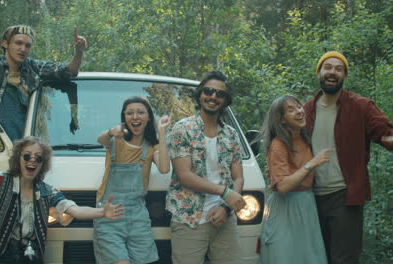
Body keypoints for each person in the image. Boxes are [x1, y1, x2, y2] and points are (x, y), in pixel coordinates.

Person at [0, 136, 123, 263]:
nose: (32, 161)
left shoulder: (47, 191)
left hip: (29, 257)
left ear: (42, 164)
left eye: (38, 158)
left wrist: (102, 212)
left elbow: (75, 210)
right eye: (27, 156)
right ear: (18, 159)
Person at [304, 51, 393, 264]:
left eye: (338, 68)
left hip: (345, 196)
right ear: (319, 72)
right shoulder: (305, 110)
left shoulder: (361, 106)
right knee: (317, 257)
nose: (332, 72)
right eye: (328, 67)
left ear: (344, 75)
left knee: (344, 260)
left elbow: (384, 131)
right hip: (309, 197)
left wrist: (388, 139)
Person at [166, 70, 246, 264]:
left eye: (220, 94)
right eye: (208, 91)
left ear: (226, 100)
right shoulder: (182, 129)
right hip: (189, 218)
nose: (213, 97)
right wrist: (226, 193)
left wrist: (226, 208)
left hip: (224, 219)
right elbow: (185, 176)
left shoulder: (231, 134)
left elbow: (238, 177)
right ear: (200, 94)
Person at [94, 96, 171, 264]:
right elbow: (101, 140)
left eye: (140, 112)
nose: (135, 116)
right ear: (124, 118)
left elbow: (165, 168)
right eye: (130, 113)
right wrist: (110, 132)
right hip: (110, 214)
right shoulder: (116, 140)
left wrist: (162, 132)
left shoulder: (151, 146)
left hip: (138, 216)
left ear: (149, 117)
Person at [259, 95, 331, 264]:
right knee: (286, 257)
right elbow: (283, 186)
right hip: (285, 209)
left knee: (309, 257)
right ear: (281, 120)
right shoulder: (278, 145)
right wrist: (312, 164)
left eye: (298, 106)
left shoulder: (305, 138)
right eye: (290, 110)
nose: (299, 111)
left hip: (306, 205)